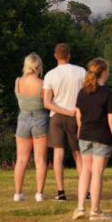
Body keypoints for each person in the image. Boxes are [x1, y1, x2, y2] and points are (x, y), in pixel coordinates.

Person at [72, 58, 112, 221]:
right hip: (102, 137)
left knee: (86, 171)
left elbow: (78, 115)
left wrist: (79, 131)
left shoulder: (82, 92)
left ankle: (79, 208)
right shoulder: (108, 93)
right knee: (97, 174)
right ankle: (95, 211)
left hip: (84, 135)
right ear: (104, 73)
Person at [43, 43, 86, 201]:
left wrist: (64, 110)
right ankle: (85, 191)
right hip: (77, 115)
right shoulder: (81, 71)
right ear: (69, 55)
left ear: (55, 56)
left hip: (57, 117)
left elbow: (47, 103)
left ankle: (60, 192)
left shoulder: (50, 75)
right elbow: (88, 94)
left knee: (58, 154)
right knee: (78, 154)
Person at [13, 53, 49, 202]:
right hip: (40, 118)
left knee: (21, 160)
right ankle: (39, 193)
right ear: (38, 66)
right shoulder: (42, 83)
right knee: (40, 159)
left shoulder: (18, 82)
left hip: (22, 119)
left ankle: (17, 193)